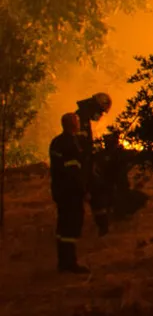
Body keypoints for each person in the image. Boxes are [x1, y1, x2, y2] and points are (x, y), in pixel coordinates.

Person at [50, 112, 90, 274]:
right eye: (77, 121)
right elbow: (74, 172)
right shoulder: (71, 143)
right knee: (72, 225)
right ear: (72, 124)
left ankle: (63, 261)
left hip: (59, 190)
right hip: (71, 192)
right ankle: (70, 263)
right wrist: (83, 191)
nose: (79, 123)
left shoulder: (56, 142)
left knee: (63, 226)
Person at [74, 92, 112, 235]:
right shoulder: (80, 119)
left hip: (85, 165)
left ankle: (103, 228)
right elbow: (80, 147)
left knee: (96, 193)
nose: (101, 115)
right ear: (95, 107)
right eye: (101, 111)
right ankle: (101, 228)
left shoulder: (82, 117)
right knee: (91, 194)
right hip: (80, 167)